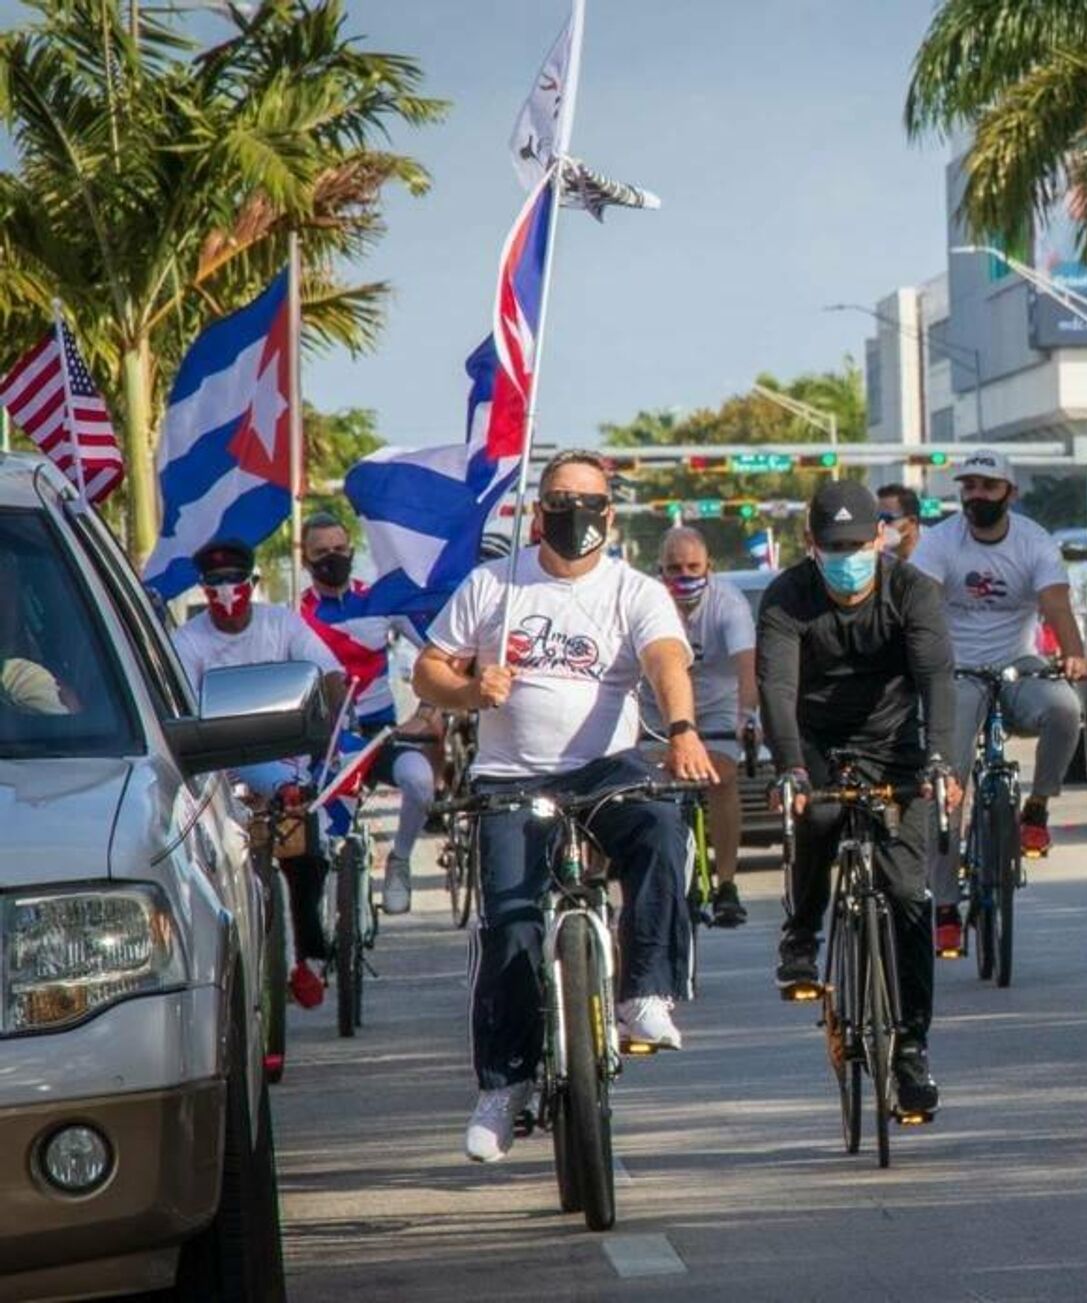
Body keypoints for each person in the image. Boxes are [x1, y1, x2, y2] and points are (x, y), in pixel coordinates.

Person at [413, 450, 718, 1163]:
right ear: (538, 509)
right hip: (510, 777)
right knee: (512, 927)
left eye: (587, 501)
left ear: (609, 515)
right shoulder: (495, 583)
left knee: (663, 828)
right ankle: (504, 1085)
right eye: (558, 499)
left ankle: (646, 990)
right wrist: (468, 691)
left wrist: (681, 731)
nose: (572, 513)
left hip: (606, 771)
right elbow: (429, 668)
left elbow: (667, 659)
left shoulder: (634, 588)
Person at [758, 480, 959, 1118]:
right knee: (816, 813)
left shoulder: (913, 592)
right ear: (811, 545)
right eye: (832, 546)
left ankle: (911, 1052)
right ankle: (801, 932)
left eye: (858, 544)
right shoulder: (788, 596)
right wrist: (789, 765)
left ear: (882, 539)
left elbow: (935, 678)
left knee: (906, 894)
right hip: (815, 740)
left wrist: (941, 760)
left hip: (896, 746)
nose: (847, 557)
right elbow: (776, 687)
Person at [908, 449, 1087, 953]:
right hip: (957, 673)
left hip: (1019, 665)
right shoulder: (940, 540)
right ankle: (944, 905)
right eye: (968, 487)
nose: (976, 496)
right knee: (944, 783)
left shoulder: (1033, 541)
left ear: (1009, 493)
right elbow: (920, 605)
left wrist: (1074, 654)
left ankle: (1035, 809)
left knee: (1065, 709)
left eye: (988, 488)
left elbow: (1055, 602)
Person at [171, 538, 348, 1011]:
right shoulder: (187, 643)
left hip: (289, 772)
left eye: (235, 581)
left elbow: (329, 675)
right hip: (219, 782)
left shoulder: (282, 624)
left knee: (306, 857)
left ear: (252, 583)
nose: (226, 593)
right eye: (215, 584)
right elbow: (185, 711)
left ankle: (309, 955)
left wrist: (328, 727)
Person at [297, 511, 439, 915]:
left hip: (380, 734)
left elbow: (439, 652)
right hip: (325, 739)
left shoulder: (380, 602)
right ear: (305, 559)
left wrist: (427, 710)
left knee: (420, 781)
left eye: (340, 549)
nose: (332, 557)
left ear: (352, 550)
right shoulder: (294, 615)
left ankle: (400, 860)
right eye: (321, 552)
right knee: (313, 827)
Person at [641, 526, 757, 928]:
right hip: (658, 710)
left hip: (717, 709)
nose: (684, 575)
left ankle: (726, 883)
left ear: (710, 566)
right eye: (674, 568)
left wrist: (748, 718)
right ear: (659, 570)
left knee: (722, 778)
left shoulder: (729, 603)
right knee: (640, 784)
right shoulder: (647, 599)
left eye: (693, 566)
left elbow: (746, 667)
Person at [876, 483, 924, 561]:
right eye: (876, 519)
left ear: (912, 521)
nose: (880, 525)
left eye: (886, 518)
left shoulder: (937, 547)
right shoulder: (878, 556)